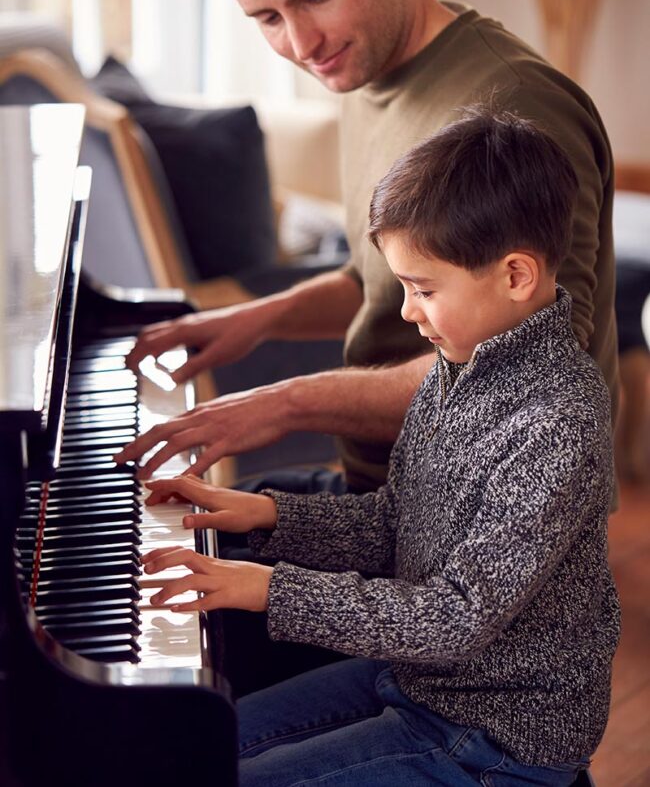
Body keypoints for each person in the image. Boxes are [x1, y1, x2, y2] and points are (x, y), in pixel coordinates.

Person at [138, 108, 620, 786]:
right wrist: (266, 516)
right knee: (198, 751)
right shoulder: (461, 366)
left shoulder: (555, 424)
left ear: (516, 276)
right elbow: (397, 526)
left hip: (493, 735)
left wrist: (270, 589)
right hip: (419, 681)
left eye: (423, 289)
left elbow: (456, 618)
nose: (405, 312)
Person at [115, 0, 618, 504]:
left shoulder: (513, 107)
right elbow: (376, 279)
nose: (302, 46)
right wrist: (256, 321)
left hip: (476, 519)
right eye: (268, 19)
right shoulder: (365, 71)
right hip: (387, 490)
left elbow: (532, 371)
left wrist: (288, 403)